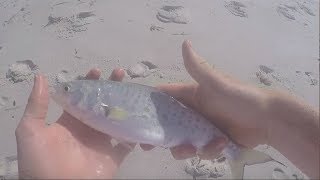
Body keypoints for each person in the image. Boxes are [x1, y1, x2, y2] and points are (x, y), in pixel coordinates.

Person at [15, 40, 319, 179]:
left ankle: (236, 155)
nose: (61, 93)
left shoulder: (101, 105)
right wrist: (269, 119)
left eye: (68, 90)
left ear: (90, 97)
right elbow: (118, 116)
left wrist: (268, 118)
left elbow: (117, 115)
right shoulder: (100, 108)